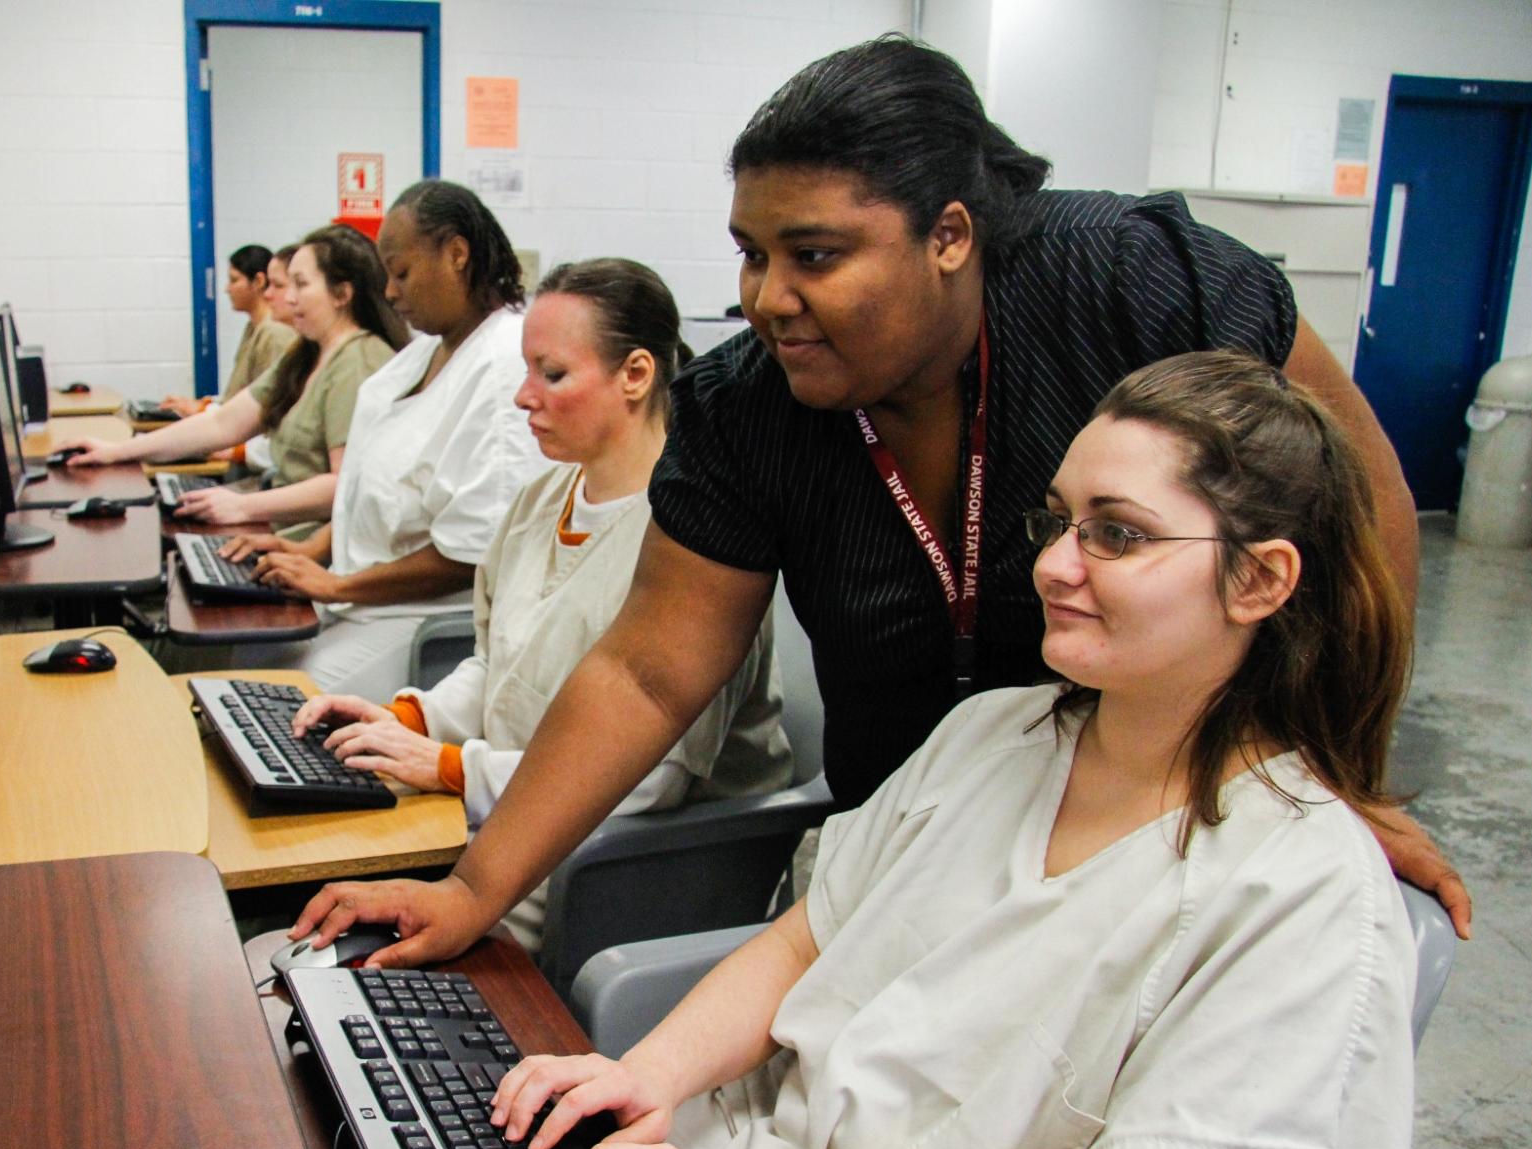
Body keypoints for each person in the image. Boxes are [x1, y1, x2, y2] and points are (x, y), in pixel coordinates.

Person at [286, 33, 1470, 968]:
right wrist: (476, 888)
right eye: (750, 253)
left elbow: (1358, 500)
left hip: (1157, 831)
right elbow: (649, 667)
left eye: (813, 255)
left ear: (948, 236)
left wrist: (1336, 770)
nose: (766, 297)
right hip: (902, 832)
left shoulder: (1127, 285)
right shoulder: (755, 409)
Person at [488, 351, 1419, 1149]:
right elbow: (808, 940)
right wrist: (646, 1076)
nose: (1054, 564)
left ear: (1260, 579)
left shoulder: (1300, 889)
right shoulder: (997, 736)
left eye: (1117, 535)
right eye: (1056, 521)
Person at [287, 258, 794, 946]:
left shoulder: (701, 542)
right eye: (526, 372)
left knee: (346, 941)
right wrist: (406, 718)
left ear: (636, 375)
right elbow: (498, 666)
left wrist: (447, 768)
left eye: (551, 375)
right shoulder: (541, 499)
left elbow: (649, 782)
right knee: (309, 864)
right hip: (506, 821)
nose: (523, 397)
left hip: (616, 863)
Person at [215, 181, 548, 699]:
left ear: (457, 254)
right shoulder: (424, 356)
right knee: (245, 661)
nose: (391, 292)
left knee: (275, 700)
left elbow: (470, 552)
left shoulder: (503, 365)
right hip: (363, 600)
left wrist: (336, 585)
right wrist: (307, 548)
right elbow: (368, 493)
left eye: (402, 273)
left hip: (421, 622)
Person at [57, 225, 405, 540]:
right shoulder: (308, 353)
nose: (288, 298)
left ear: (342, 293)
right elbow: (223, 423)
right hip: (284, 532)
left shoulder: (358, 360)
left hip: (311, 552)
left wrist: (244, 506)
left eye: (301, 285)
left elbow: (344, 484)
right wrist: (114, 451)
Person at [160, 243, 297, 417]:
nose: (227, 289)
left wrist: (204, 411)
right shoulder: (254, 327)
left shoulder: (275, 332)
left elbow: (265, 408)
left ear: (258, 281)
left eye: (234, 280)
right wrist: (203, 405)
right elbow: (240, 395)